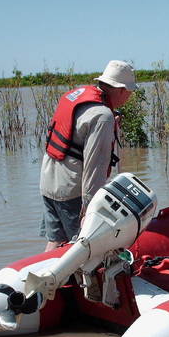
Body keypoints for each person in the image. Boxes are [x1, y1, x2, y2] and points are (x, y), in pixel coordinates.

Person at [40, 60, 137, 251]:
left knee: (55, 240)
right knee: (84, 250)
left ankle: (37, 276)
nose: (130, 97)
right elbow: (95, 167)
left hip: (48, 182)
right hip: (71, 191)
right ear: (121, 90)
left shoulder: (83, 98)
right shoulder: (103, 116)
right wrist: (90, 210)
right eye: (130, 92)